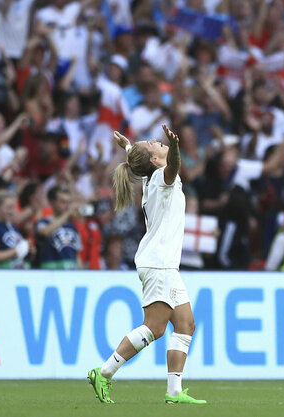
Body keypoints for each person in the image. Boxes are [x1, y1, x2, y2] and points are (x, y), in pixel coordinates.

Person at [88, 126, 206, 405]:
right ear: (155, 160)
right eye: (153, 144)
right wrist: (174, 148)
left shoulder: (150, 177)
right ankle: (104, 372)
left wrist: (129, 147)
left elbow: (140, 162)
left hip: (163, 264)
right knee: (154, 328)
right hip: (160, 263)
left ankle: (174, 392)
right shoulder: (164, 179)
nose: (157, 141)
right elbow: (174, 165)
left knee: (186, 324)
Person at [35, 186, 82, 270]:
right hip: (50, 273)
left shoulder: (72, 227)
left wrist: (81, 272)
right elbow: (44, 232)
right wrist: (67, 214)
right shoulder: (43, 222)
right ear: (52, 202)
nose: (67, 206)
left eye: (69, 202)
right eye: (63, 202)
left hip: (71, 272)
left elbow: (77, 255)